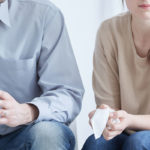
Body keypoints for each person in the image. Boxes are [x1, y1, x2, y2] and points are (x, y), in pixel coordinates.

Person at [0, 0, 84, 149]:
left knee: (47, 133)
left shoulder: (44, 14)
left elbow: (68, 94)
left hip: (22, 133)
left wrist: (27, 112)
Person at [82, 0, 150, 150]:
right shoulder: (109, 31)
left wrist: (130, 120)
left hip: (138, 135)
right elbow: (109, 106)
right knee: (95, 144)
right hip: (124, 130)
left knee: (138, 143)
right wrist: (105, 116)